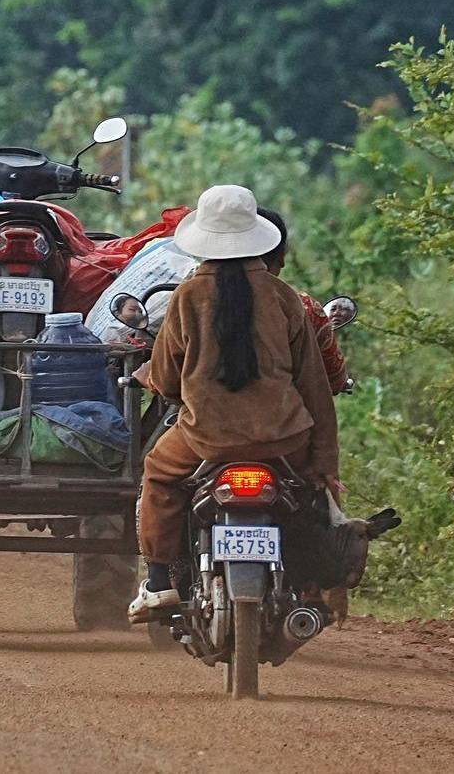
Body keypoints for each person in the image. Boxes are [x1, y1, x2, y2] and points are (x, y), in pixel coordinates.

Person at [128, 185, 341, 621]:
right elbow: (315, 388)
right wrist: (324, 463)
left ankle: (159, 582)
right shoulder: (285, 298)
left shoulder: (187, 296)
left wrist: (164, 384)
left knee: (158, 474)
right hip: (284, 438)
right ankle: (313, 585)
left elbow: (167, 378)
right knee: (309, 495)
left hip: (206, 438)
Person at [258, 209, 353, 394]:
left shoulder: (191, 302)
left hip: (203, 420)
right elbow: (333, 377)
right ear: (281, 258)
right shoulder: (303, 309)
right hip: (280, 420)